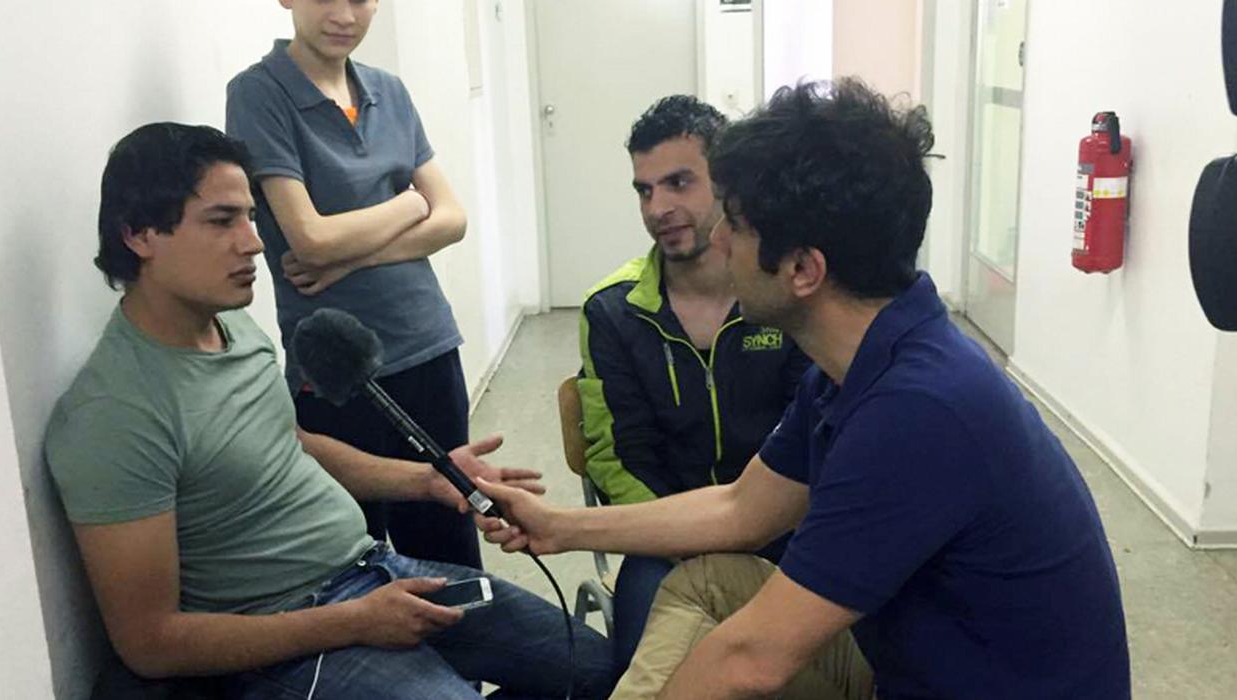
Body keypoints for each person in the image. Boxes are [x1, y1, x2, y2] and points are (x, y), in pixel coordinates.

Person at [476, 79, 1131, 699]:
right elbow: (741, 509)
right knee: (707, 584)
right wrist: (560, 526)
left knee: (735, 650)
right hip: (905, 668)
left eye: (736, 224)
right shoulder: (856, 364)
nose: (718, 240)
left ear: (801, 269)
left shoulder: (917, 412)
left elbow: (752, 660)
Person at [46, 123, 615, 699]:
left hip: (374, 571)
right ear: (138, 235)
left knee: (601, 671)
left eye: (250, 217)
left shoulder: (231, 325)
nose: (254, 242)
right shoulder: (112, 414)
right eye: (222, 221)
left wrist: (428, 479)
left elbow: (290, 443)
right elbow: (150, 643)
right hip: (291, 637)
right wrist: (354, 621)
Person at [226, 0, 483, 569]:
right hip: (336, 368)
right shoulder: (259, 94)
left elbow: (452, 220)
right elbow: (311, 239)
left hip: (428, 343)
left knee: (448, 538)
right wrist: (409, 204)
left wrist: (351, 260)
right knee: (352, 551)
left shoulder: (389, 91)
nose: (345, 14)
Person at [578, 95, 811, 672]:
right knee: (642, 669)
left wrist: (752, 523)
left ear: (728, 186)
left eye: (679, 183)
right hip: (666, 539)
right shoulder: (613, 311)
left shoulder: (781, 293)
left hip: (787, 527)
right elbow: (617, 457)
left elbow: (813, 437)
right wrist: (686, 534)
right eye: (644, 190)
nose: (659, 208)